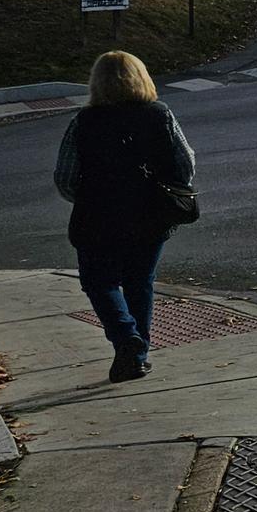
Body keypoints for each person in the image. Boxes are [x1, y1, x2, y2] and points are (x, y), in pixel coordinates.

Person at [53, 51, 196, 383]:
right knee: (139, 282)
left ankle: (125, 337)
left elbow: (65, 176)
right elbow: (185, 165)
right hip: (151, 215)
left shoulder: (85, 122)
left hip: (97, 217)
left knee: (98, 281)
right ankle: (137, 354)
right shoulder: (160, 115)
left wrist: (90, 197)